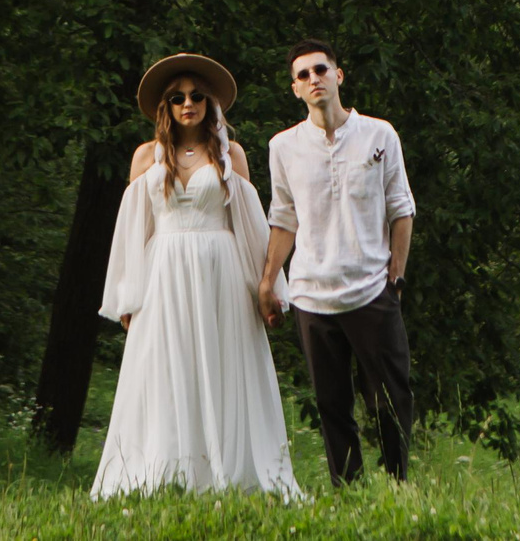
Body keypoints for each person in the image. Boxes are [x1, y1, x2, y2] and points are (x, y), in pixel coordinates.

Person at [90, 52, 302, 500]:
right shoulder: (146, 157)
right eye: (179, 97)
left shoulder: (231, 156)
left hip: (220, 272)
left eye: (198, 96)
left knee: (222, 361)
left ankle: (229, 469)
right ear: (165, 105)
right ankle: (166, 470)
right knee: (166, 366)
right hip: (164, 273)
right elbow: (133, 233)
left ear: (210, 103)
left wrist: (266, 287)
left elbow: (248, 227)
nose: (189, 103)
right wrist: (129, 295)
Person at [257, 37, 416, 485]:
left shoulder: (379, 135)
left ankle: (398, 485)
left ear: (338, 75)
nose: (314, 79)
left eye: (321, 70)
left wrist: (395, 278)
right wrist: (269, 281)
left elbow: (401, 208)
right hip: (311, 294)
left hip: (371, 291)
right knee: (332, 405)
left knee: (390, 399)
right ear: (295, 88)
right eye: (303, 75)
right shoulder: (283, 147)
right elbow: (283, 218)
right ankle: (349, 494)